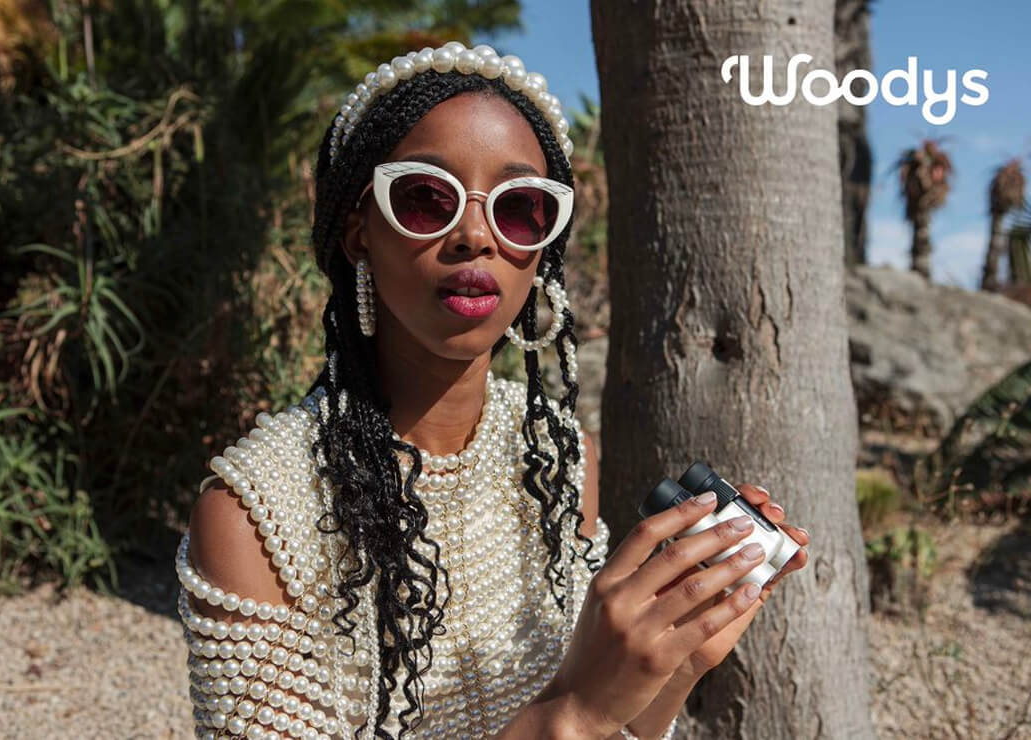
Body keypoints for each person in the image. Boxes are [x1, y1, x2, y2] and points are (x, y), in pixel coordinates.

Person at [174, 41, 810, 740]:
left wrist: (674, 661)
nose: (475, 236)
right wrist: (573, 710)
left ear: (543, 248)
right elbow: (578, 719)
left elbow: (609, 731)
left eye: (519, 209)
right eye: (425, 199)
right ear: (358, 230)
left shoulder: (557, 456)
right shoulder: (253, 516)